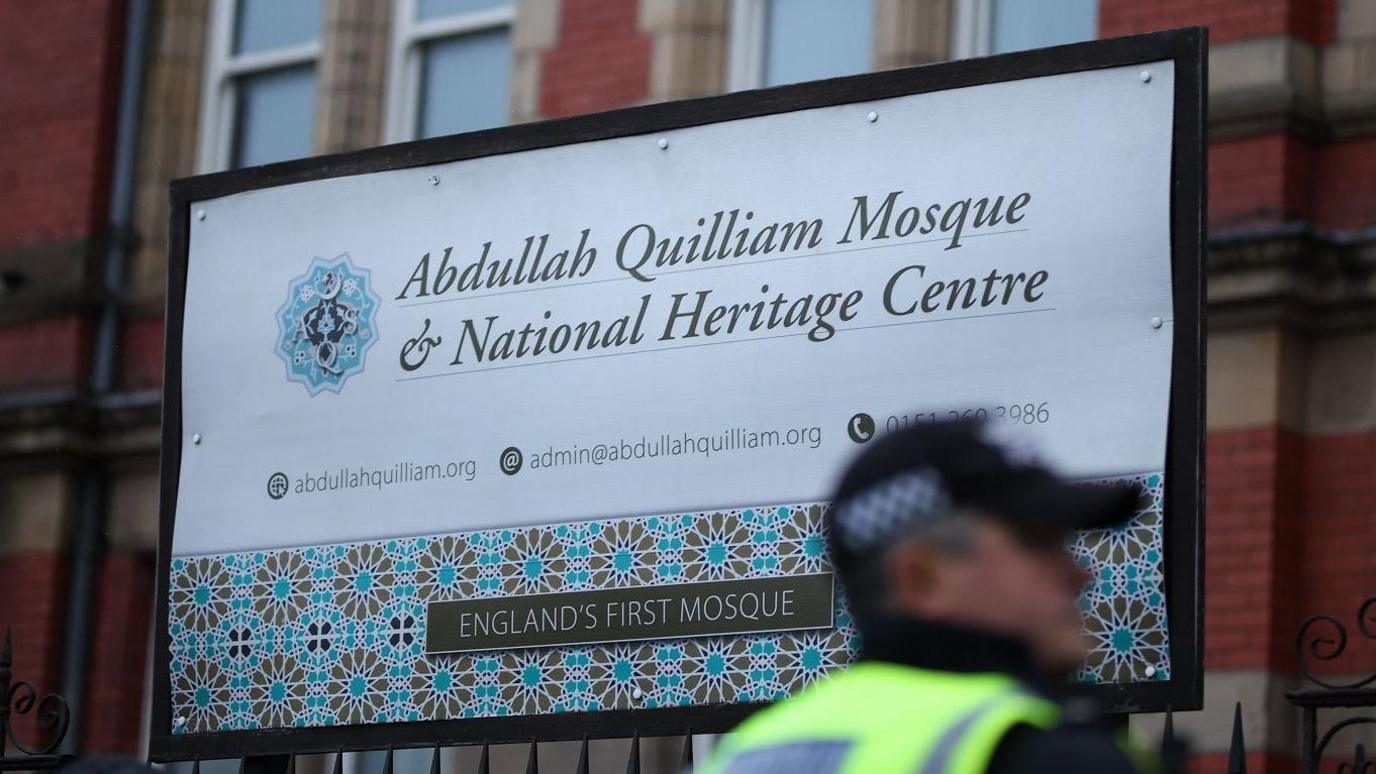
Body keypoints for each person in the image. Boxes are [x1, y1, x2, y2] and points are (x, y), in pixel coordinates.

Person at [699, 419, 1166, 773]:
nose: (1077, 572)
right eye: (1037, 542)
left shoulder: (745, 753)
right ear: (920, 578)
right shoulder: (1043, 751)